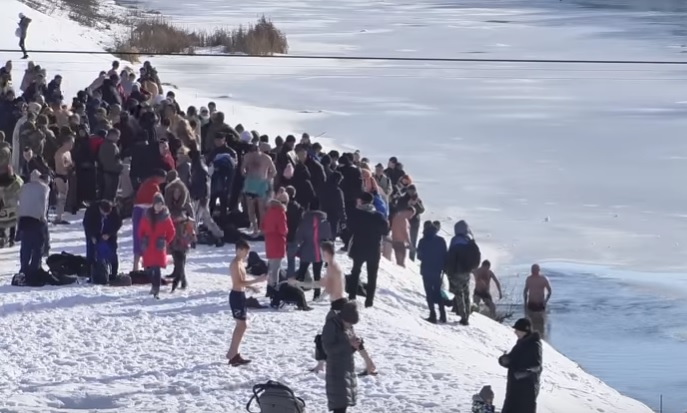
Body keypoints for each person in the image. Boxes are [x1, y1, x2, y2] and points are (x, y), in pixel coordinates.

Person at [226, 239, 268, 366]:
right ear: (239, 250)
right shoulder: (234, 264)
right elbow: (237, 283)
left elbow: (242, 282)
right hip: (236, 296)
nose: (246, 255)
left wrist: (251, 287)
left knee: (242, 325)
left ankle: (233, 353)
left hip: (240, 295)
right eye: (245, 252)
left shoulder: (240, 262)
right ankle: (233, 354)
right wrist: (257, 281)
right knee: (241, 325)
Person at [347, 192, 389, 308]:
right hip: (373, 249)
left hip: (359, 247)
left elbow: (350, 228)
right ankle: (369, 301)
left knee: (355, 272)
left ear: (361, 201)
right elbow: (385, 231)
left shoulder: (356, 214)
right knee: (372, 275)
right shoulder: (378, 216)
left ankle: (351, 296)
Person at [322, 300, 360, 413]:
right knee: (339, 405)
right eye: (349, 323)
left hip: (346, 367)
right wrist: (349, 343)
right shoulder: (331, 325)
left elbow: (346, 348)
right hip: (336, 369)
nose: (350, 326)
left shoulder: (347, 326)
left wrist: (354, 345)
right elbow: (328, 349)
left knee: (344, 403)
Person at [498, 318, 543, 413]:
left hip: (527, 391)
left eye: (517, 330)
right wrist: (504, 360)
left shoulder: (534, 345)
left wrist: (524, 373)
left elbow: (537, 366)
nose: (515, 332)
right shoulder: (520, 344)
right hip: (514, 388)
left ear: (525, 331)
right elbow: (513, 360)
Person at [137, 192, 175, 299]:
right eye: (157, 204)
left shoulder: (165, 217)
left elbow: (171, 231)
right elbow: (141, 229)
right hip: (149, 244)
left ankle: (156, 288)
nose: (158, 206)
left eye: (160, 204)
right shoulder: (147, 215)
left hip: (158, 245)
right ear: (153, 204)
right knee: (148, 268)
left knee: (156, 268)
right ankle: (154, 285)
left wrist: (166, 241)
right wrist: (143, 239)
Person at [444, 220, 481, 326]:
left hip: (456, 272)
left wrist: (448, 271)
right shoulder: (469, 240)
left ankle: (463, 317)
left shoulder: (455, 240)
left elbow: (451, 257)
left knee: (458, 294)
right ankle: (467, 315)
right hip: (467, 272)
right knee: (466, 293)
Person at [165, 171, 195, 292]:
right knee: (176, 255)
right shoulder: (169, 205)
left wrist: (192, 230)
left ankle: (182, 279)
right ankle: (180, 276)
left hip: (183, 232)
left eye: (178, 192)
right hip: (172, 232)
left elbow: (191, 218)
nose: (176, 194)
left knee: (181, 256)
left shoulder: (185, 204)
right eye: (174, 192)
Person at [132, 169, 166, 271]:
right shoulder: (155, 187)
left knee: (137, 238)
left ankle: (135, 267)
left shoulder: (145, 183)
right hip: (146, 213)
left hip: (137, 211)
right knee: (147, 238)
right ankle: (147, 265)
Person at [294, 208, 332, 300]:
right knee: (317, 275)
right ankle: (316, 294)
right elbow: (328, 239)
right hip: (319, 251)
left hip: (306, 250)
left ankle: (298, 293)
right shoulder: (325, 223)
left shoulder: (304, 222)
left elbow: (299, 237)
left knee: (301, 273)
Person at [16, 170, 49, 275]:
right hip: (36, 219)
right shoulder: (44, 188)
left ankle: (24, 268)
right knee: (38, 246)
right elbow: (44, 204)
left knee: (25, 246)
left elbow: (18, 202)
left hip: (23, 220)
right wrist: (43, 218)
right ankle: (35, 268)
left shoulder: (23, 187)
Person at [416, 220, 448, 323]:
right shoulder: (441, 240)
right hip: (437, 270)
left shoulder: (423, 241)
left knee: (429, 293)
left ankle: (432, 315)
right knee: (438, 292)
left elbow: (419, 256)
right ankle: (443, 315)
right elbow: (445, 255)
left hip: (426, 269)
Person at [241, 143, 276, 234]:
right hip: (256, 184)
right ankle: (258, 229)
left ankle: (259, 229)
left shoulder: (250, 157)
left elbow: (242, 170)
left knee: (255, 209)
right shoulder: (264, 158)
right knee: (256, 209)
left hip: (255, 184)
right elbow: (273, 172)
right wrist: (267, 179)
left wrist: (266, 179)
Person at [83, 200, 122, 278]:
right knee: (91, 250)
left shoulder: (114, 211)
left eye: (108, 213)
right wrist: (92, 236)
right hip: (94, 231)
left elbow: (118, 224)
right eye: (104, 213)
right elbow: (86, 224)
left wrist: (110, 234)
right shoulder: (91, 210)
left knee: (112, 250)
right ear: (100, 209)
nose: (106, 215)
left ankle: (113, 272)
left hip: (108, 232)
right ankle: (90, 272)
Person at [261, 193, 288, 293]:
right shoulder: (281, 213)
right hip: (278, 242)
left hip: (269, 242)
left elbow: (262, 226)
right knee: (276, 268)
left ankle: (269, 287)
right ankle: (274, 289)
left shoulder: (268, 212)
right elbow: (283, 230)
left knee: (271, 266)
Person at [523, 264, 552, 335]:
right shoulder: (529, 279)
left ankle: (541, 337)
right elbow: (525, 291)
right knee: (530, 324)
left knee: (540, 324)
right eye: (532, 270)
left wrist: (545, 301)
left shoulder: (543, 279)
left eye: (535, 270)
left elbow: (550, 291)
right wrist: (525, 303)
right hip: (531, 303)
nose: (533, 271)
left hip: (540, 303)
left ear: (538, 270)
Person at [53, 134, 75, 225]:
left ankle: (60, 216)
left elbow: (70, 163)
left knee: (64, 197)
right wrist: (69, 166)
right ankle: (58, 217)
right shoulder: (59, 153)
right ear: (65, 143)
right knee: (61, 197)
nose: (72, 146)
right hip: (60, 176)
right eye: (70, 143)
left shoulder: (68, 153)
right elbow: (60, 167)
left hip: (66, 175)